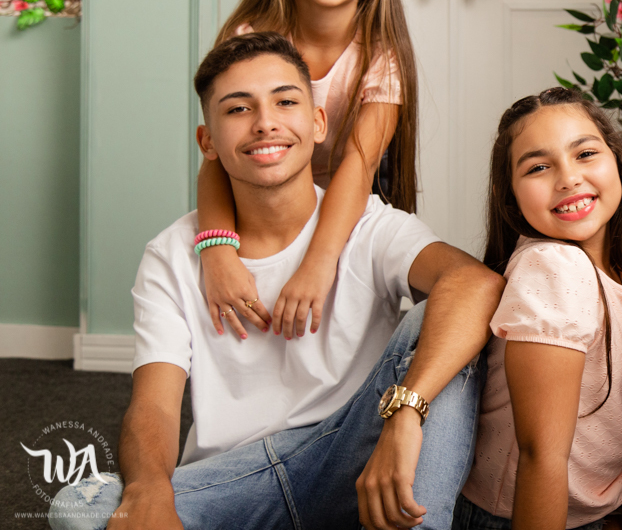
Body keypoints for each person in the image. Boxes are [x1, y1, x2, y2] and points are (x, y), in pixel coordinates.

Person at [49, 33, 505, 530]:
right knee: (82, 508)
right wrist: (148, 490)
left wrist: (405, 413)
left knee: (442, 317)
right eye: (238, 109)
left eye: (285, 102)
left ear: (317, 122)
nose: (265, 122)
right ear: (208, 142)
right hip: (237, 477)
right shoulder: (171, 255)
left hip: (354, 455)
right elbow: (154, 405)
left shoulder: (369, 226)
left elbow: (474, 283)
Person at [454, 88, 622, 530]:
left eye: (585, 154)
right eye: (538, 167)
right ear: (509, 195)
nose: (568, 178)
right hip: (527, 513)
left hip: (603, 497)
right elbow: (542, 456)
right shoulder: (554, 268)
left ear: (617, 160)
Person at [197, 0, 421, 343]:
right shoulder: (247, 41)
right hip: (259, 193)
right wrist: (216, 253)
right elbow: (217, 155)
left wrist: (319, 262)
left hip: (345, 198)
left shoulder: (381, 59)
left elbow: (359, 166)